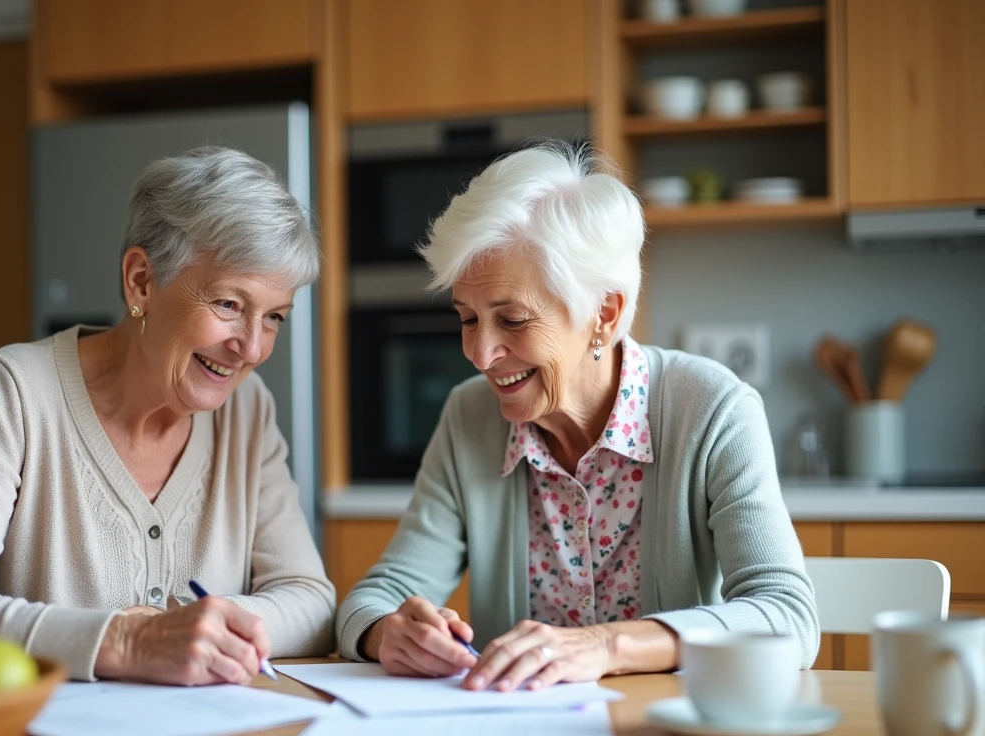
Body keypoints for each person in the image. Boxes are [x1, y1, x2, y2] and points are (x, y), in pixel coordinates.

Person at [337, 142, 818, 691]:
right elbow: (376, 597)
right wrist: (387, 631)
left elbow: (787, 618)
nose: (479, 353)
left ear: (603, 314)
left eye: (512, 320)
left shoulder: (711, 410)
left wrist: (608, 644)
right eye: (468, 318)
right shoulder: (469, 417)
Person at [0, 146, 335, 684]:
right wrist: (123, 640)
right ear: (141, 281)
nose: (253, 348)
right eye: (230, 306)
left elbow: (312, 602)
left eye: (275, 317)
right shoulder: (16, 391)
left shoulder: (248, 410)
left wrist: (186, 629)